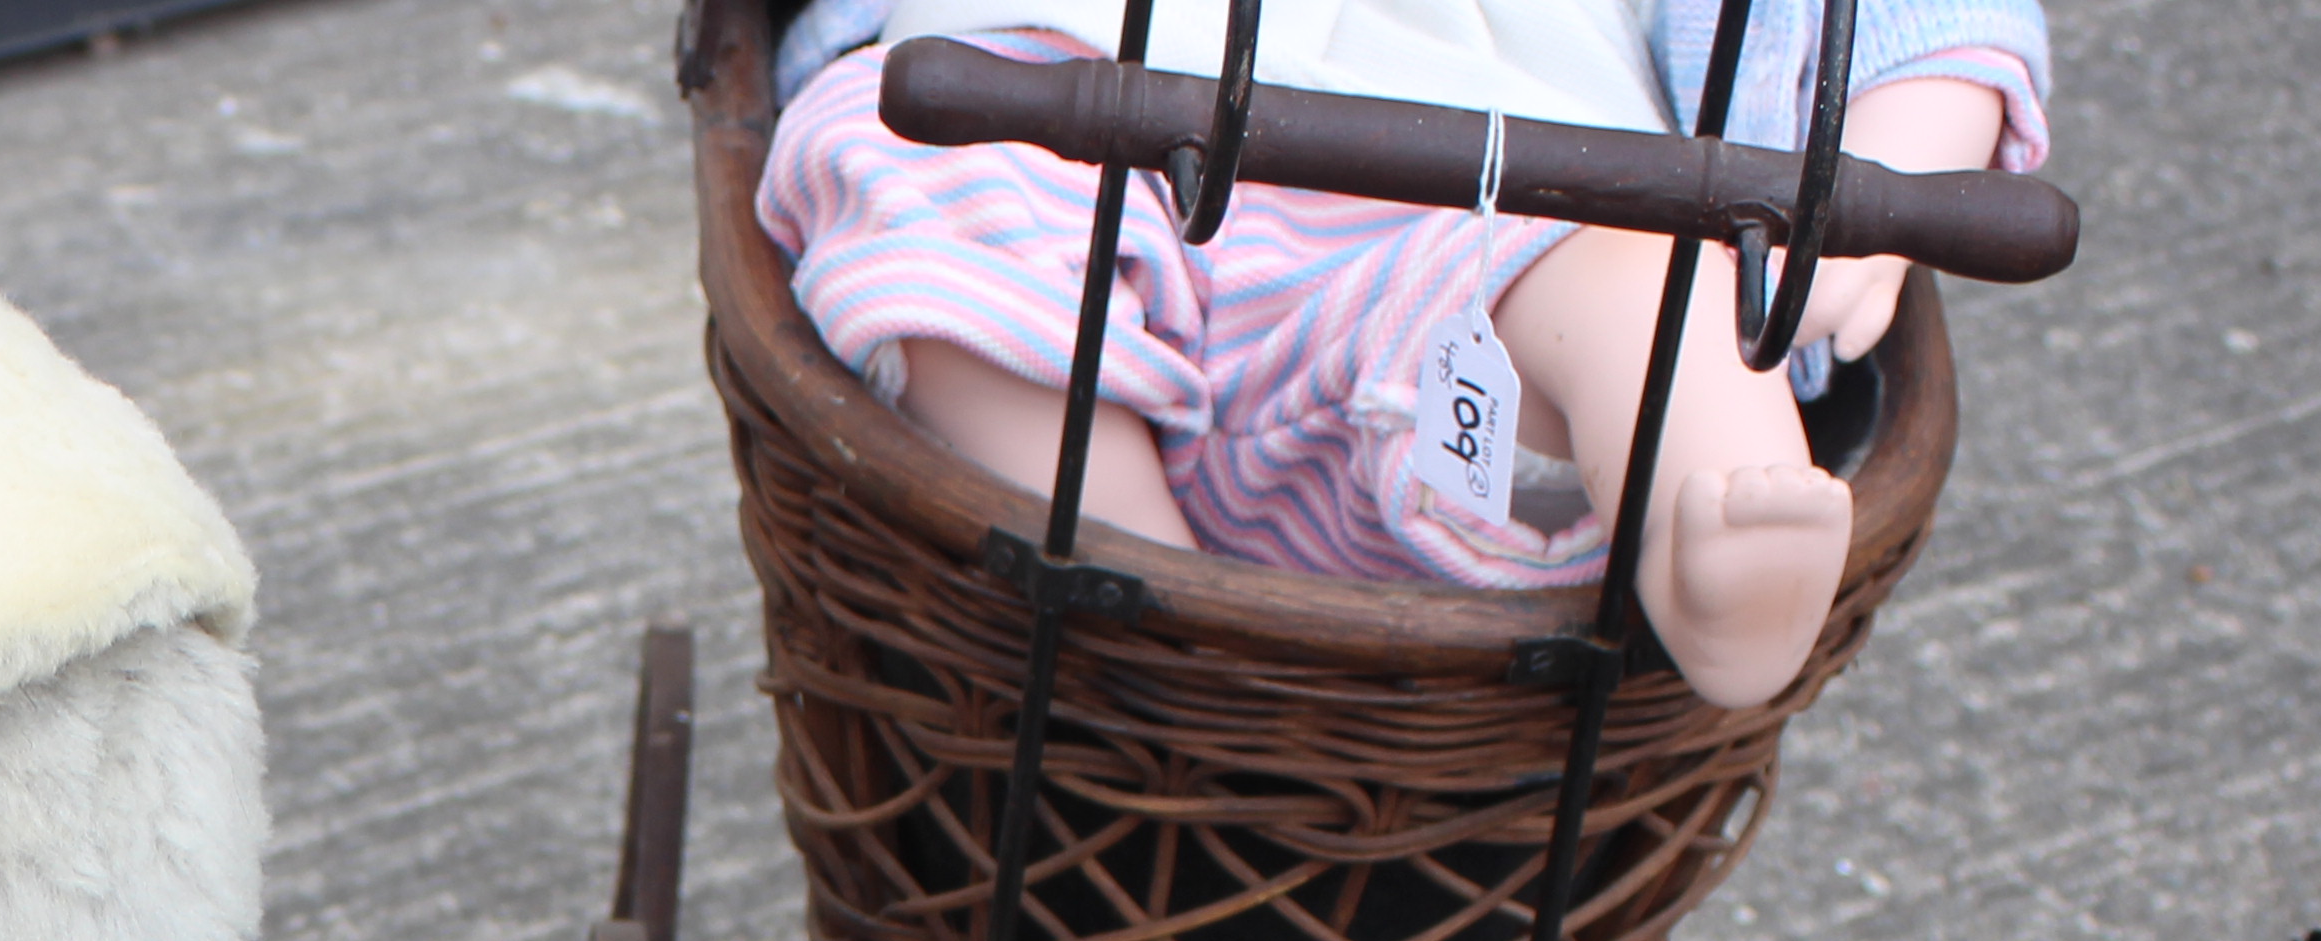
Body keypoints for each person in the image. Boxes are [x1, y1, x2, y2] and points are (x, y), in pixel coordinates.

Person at [757, 0, 2051, 702]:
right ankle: (1126, 576)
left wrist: (1884, 174)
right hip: (1075, 113)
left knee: (1649, 280)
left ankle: (1711, 541)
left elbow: (1897, 19)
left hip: (1459, 247)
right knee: (927, 177)